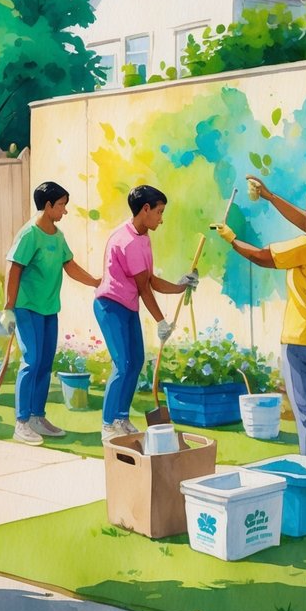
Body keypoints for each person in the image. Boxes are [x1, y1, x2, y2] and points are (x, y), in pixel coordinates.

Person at [211, 176, 306, 462]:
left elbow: (263, 256)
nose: (305, 218)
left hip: (303, 341)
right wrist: (270, 196)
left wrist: (232, 239)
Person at [94, 186, 198, 442]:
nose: (161, 218)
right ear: (145, 209)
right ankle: (108, 424)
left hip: (127, 305)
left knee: (136, 361)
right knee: (122, 364)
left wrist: (180, 286)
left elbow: (149, 280)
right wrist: (161, 321)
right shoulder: (127, 241)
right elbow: (144, 288)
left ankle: (121, 417)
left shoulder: (142, 236)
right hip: (110, 305)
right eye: (160, 212)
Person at [2, 181, 102, 445]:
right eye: (61, 205)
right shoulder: (29, 234)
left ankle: (37, 416)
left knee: (45, 364)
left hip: (48, 309)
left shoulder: (57, 236)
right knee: (32, 361)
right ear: (48, 206)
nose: (65, 211)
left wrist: (95, 282)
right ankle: (21, 422)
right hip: (26, 308)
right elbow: (13, 270)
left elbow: (70, 266)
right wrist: (8, 308)